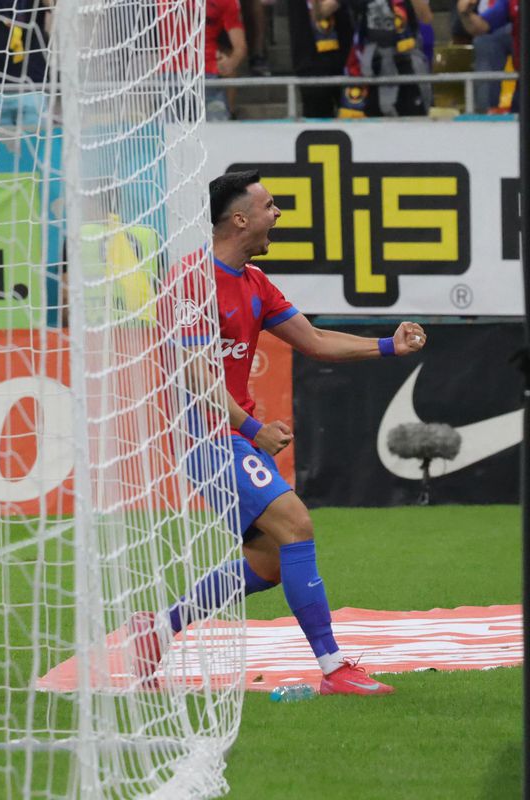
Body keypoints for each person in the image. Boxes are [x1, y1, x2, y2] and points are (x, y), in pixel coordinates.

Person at [128, 170, 428, 696]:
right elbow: (199, 377)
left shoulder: (254, 281)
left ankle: (156, 630)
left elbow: (312, 339)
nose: (278, 214)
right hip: (206, 438)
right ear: (239, 218)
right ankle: (335, 670)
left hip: (235, 436)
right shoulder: (191, 279)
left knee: (268, 561)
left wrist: (388, 346)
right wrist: (253, 428)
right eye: (269, 205)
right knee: (296, 523)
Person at [347, 0, 434, 116]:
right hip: (373, 67)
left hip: (406, 62)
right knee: (374, 120)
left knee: (412, 118)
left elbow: (426, 18)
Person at [286, 0, 354, 118]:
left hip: (347, 61)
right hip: (310, 61)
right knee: (318, 127)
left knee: (357, 126)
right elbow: (319, 13)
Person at [458, 0, 521, 112]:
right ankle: (485, 114)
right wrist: (466, 13)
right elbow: (481, 27)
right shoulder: (511, 2)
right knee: (484, 42)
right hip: (524, 84)